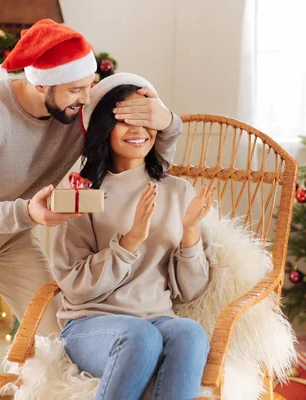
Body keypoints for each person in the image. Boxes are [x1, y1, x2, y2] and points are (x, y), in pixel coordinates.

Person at [0, 21, 182, 399]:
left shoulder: (76, 112)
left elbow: (143, 156)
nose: (86, 99)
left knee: (57, 339)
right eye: (75, 89)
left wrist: (165, 120)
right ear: (40, 84)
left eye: (89, 85)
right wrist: (29, 214)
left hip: (10, 236)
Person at [52, 73, 215, 400]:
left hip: (157, 318)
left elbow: (190, 292)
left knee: (190, 333)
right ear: (103, 128)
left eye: (145, 118)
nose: (139, 130)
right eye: (125, 120)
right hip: (91, 324)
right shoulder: (81, 193)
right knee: (140, 336)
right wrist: (130, 242)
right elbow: (75, 285)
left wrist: (190, 233)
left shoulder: (177, 191)